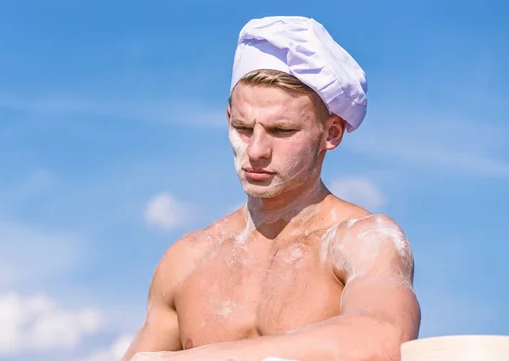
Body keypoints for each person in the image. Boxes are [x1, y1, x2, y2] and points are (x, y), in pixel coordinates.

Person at [122, 16, 421, 361]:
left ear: (332, 133)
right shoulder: (186, 260)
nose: (256, 150)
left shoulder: (361, 241)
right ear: (228, 118)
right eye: (243, 127)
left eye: (281, 131)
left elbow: (383, 339)